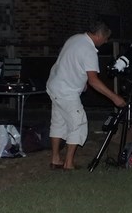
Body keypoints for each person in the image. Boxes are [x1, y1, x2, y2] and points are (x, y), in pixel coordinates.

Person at [46, 20, 126, 171]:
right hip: (66, 92)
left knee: (58, 122)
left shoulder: (75, 38)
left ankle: (55, 159)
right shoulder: (89, 50)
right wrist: (114, 97)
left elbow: (71, 63)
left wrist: (82, 82)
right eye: (106, 38)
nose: (106, 41)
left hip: (54, 86)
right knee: (78, 124)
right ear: (99, 35)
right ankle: (68, 164)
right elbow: (94, 81)